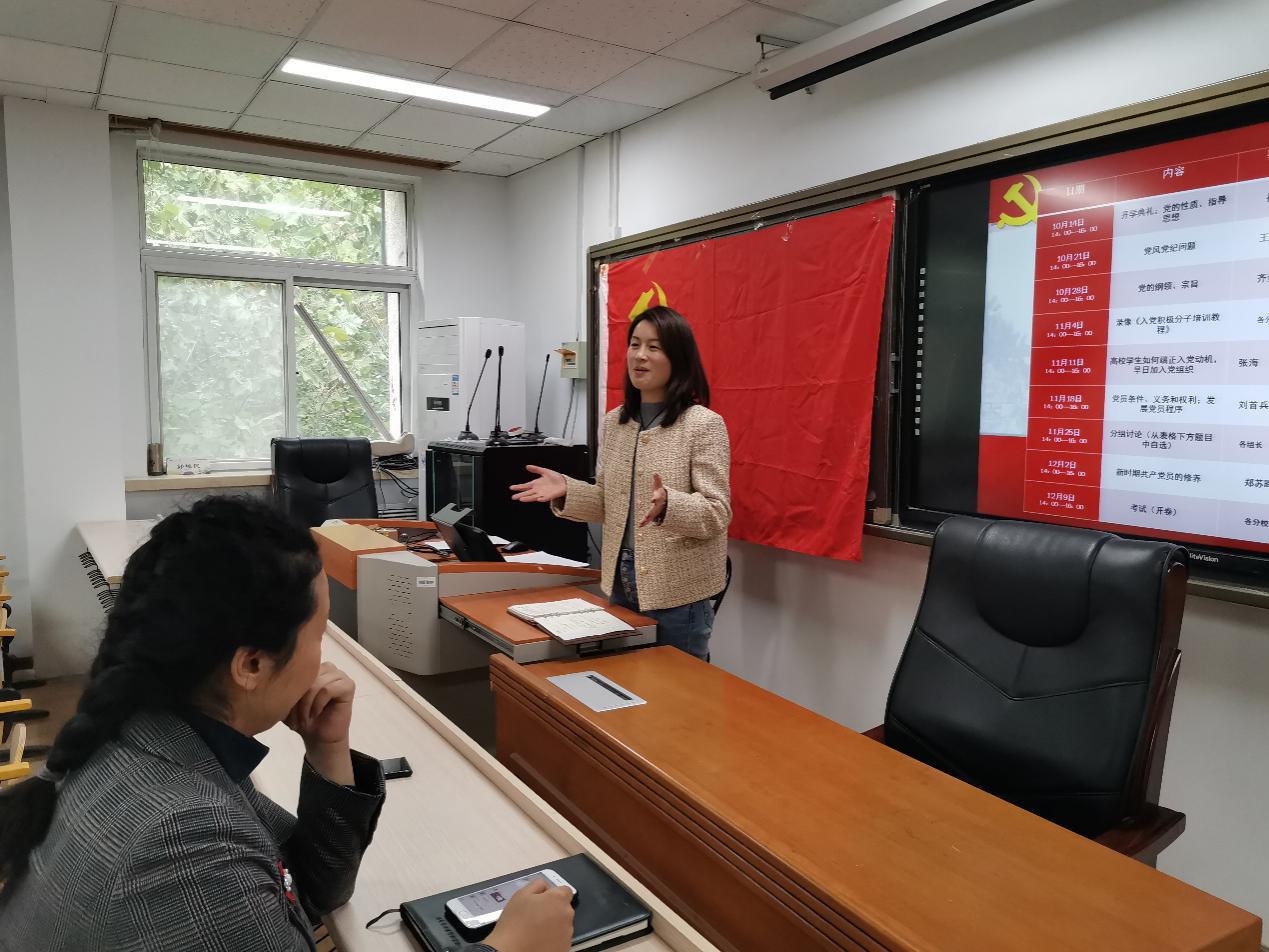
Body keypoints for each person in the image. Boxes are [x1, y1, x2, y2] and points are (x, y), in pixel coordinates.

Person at [0, 496, 572, 952]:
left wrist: (328, 751)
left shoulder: (153, 733)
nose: (324, 657)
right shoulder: (184, 840)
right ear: (250, 665)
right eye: (319, 634)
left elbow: (308, 891)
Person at [511, 306, 731, 660]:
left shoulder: (702, 425)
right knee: (624, 682)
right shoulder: (616, 422)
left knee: (676, 688)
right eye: (635, 344)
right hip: (621, 581)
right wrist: (568, 489)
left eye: (654, 347)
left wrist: (670, 505)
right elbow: (608, 501)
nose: (640, 355)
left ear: (678, 358)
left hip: (677, 591)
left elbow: (717, 512)